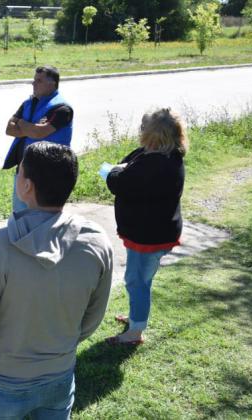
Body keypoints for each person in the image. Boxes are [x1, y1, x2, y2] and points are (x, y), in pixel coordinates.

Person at [0, 142, 113, 419]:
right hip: (60, 373)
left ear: (27, 186)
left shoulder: (1, 245)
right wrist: (62, 347)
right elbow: (93, 316)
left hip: (3, 378)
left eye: (18, 172)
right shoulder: (97, 242)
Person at [104, 108, 188, 345]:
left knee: (136, 281)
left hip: (149, 236)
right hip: (154, 232)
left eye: (143, 128)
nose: (140, 132)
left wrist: (112, 174)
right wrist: (120, 169)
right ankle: (136, 317)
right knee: (141, 278)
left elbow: (120, 182)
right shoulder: (163, 156)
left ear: (154, 135)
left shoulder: (157, 166)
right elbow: (126, 163)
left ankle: (135, 333)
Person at [4, 65, 73, 213]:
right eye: (34, 80)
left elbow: (38, 133)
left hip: (49, 172)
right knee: (20, 214)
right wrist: (30, 128)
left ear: (53, 83)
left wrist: (21, 123)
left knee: (44, 217)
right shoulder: (28, 103)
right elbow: (9, 130)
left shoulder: (62, 109)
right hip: (24, 169)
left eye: (39, 80)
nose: (34, 84)